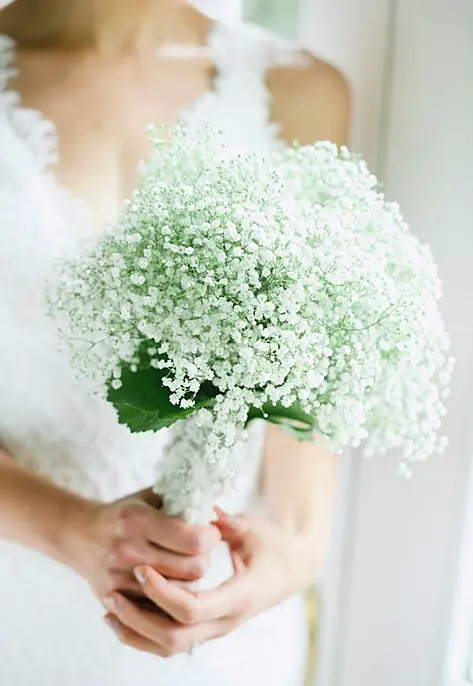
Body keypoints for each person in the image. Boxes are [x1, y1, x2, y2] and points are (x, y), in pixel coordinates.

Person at [0, 1, 349, 684]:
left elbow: (306, 403)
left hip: (219, 626)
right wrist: (72, 529)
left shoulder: (299, 91)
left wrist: (288, 557)